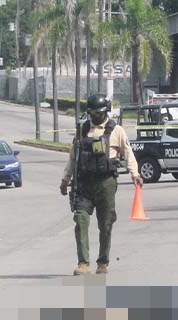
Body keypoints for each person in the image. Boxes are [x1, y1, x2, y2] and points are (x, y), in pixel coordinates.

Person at [59, 94, 143, 275]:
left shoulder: (116, 131)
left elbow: (128, 153)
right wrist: (65, 179)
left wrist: (135, 174)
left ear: (105, 111)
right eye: (92, 113)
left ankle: (103, 262)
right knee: (80, 220)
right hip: (83, 184)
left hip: (106, 183)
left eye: (98, 113)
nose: (95, 116)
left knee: (106, 223)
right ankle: (83, 263)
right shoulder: (82, 131)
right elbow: (73, 157)